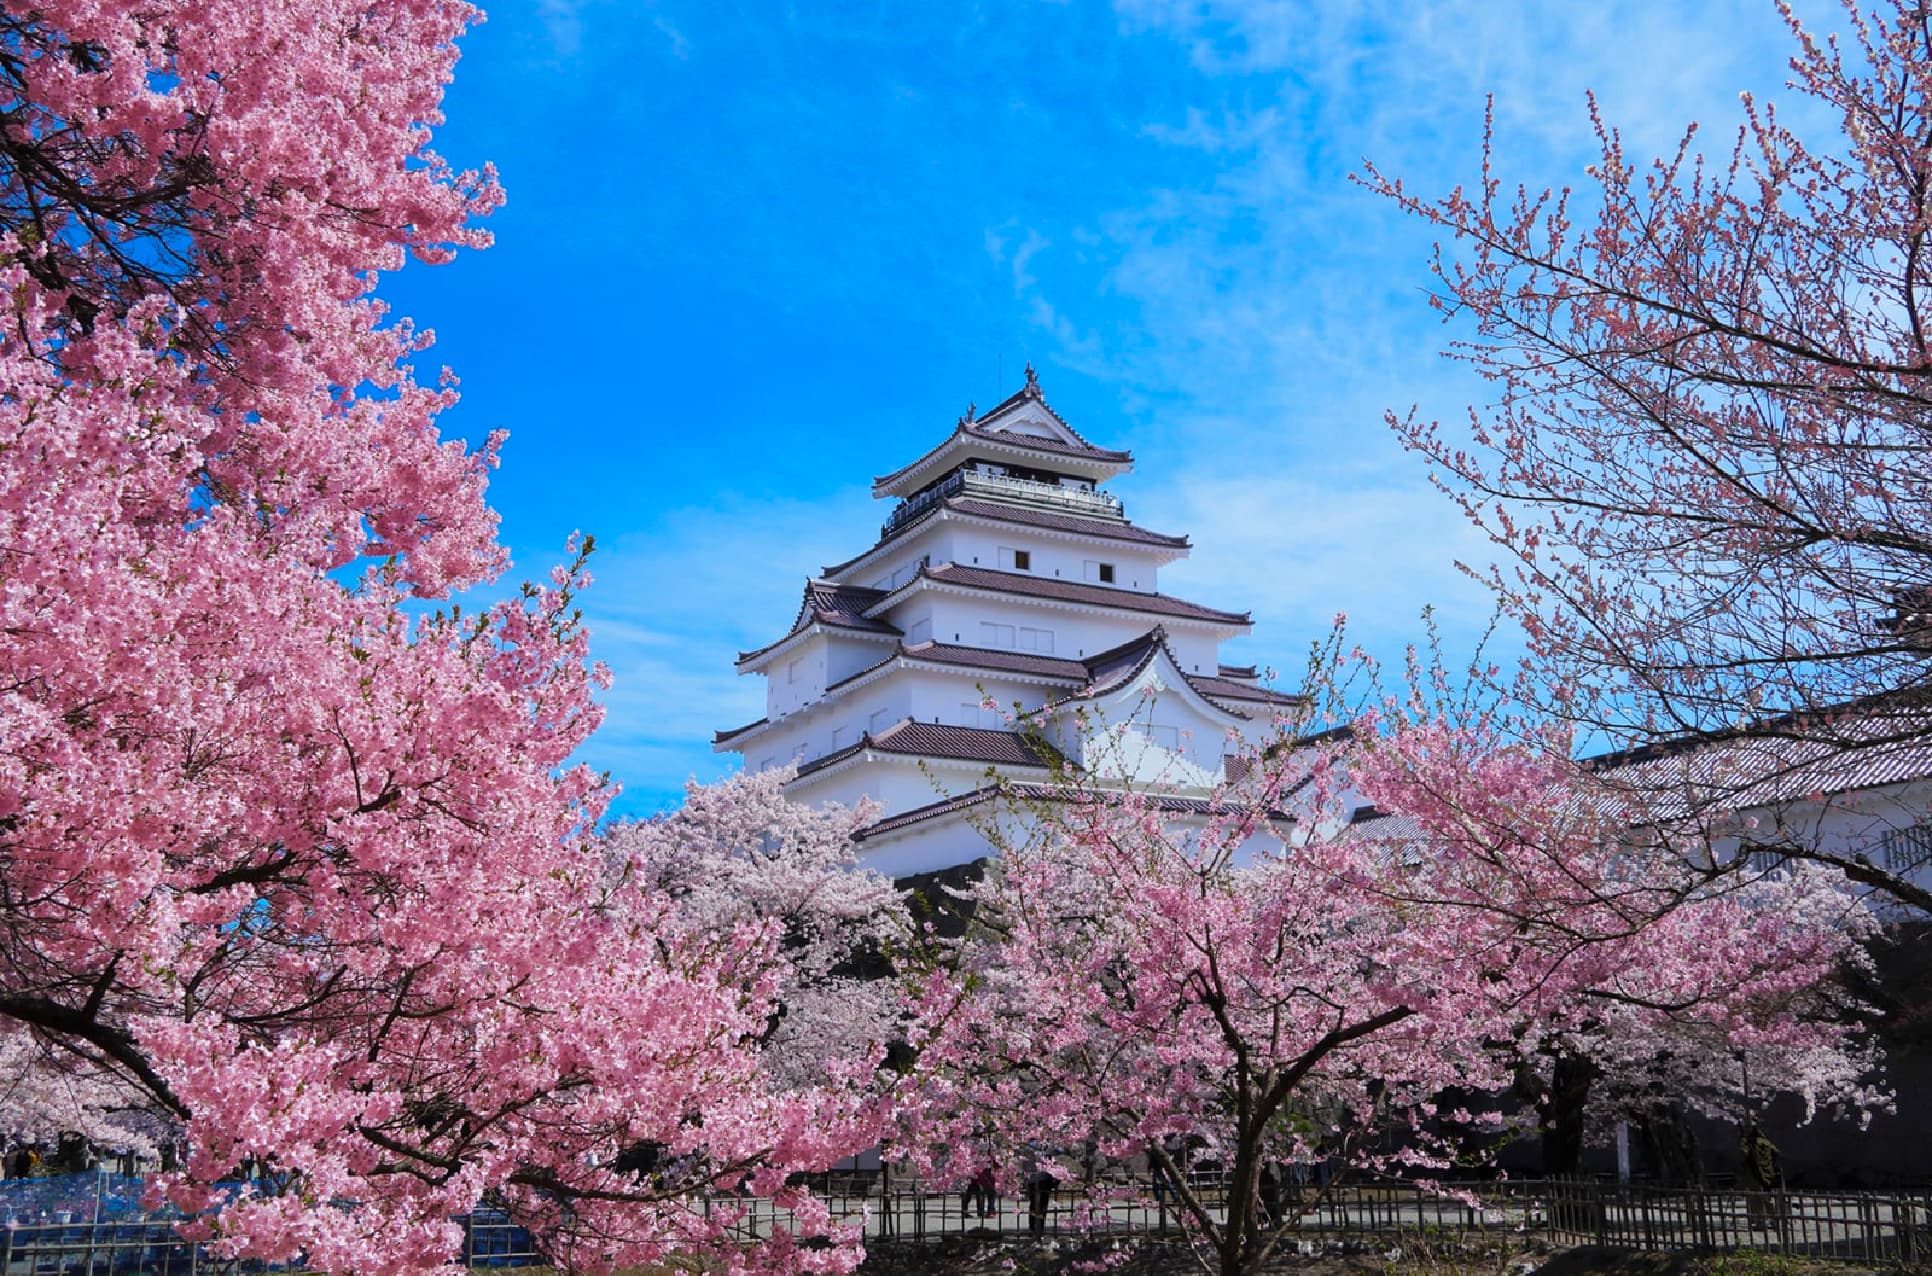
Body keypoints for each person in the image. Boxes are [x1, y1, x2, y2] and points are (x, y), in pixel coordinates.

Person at [1021, 1143, 1057, 1238]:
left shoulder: (1027, 1148)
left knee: (1033, 1204)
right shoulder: (1045, 1146)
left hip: (1032, 1180)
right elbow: (1052, 1165)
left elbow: (1024, 1166)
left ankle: (1033, 1228)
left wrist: (1026, 1181)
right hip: (1043, 1180)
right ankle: (1040, 1227)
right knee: (1042, 1206)